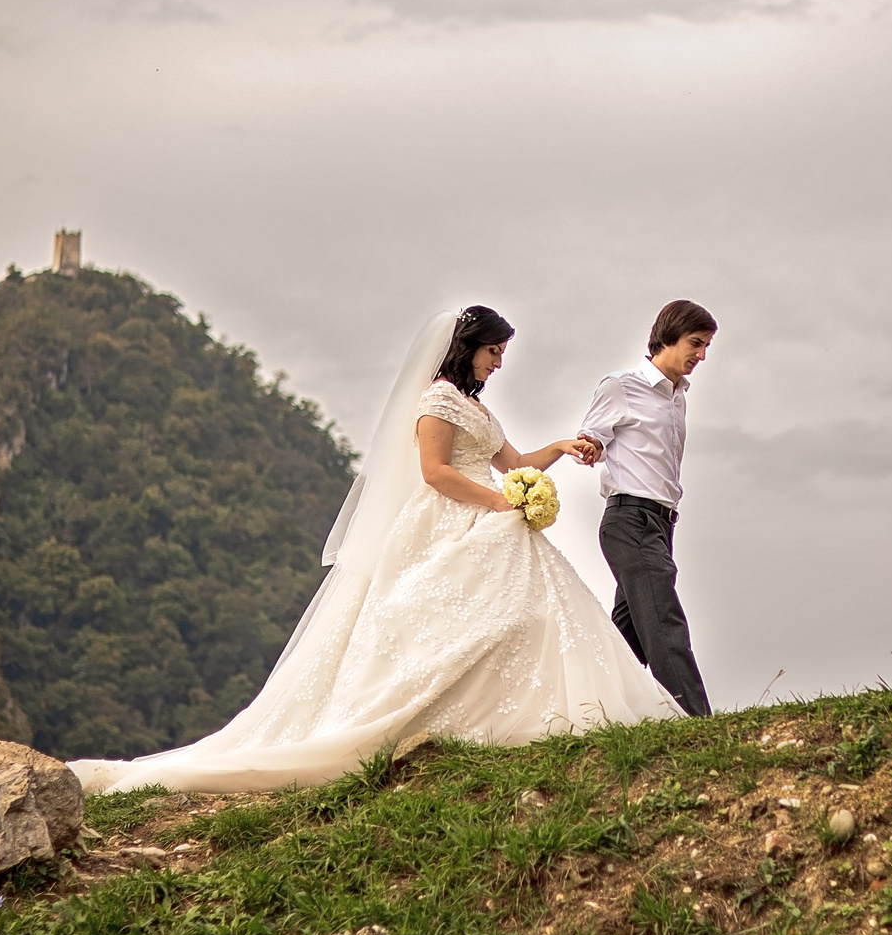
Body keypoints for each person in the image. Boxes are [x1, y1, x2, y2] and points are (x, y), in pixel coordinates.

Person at [66, 307, 682, 794]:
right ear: (467, 349)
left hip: (491, 512)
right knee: (482, 616)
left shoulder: (475, 407)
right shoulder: (438, 402)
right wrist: (502, 504)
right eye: (494, 352)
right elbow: (436, 472)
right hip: (449, 519)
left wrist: (560, 449)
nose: (498, 364)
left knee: (532, 609)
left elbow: (512, 462)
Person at [577, 299, 716, 717]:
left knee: (628, 636)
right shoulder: (622, 386)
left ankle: (589, 715)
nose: (702, 355)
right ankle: (697, 722)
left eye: (707, 346)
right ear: (668, 336)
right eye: (695, 343)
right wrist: (592, 446)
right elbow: (593, 435)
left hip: (661, 523)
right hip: (629, 520)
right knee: (663, 622)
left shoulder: (679, 397)